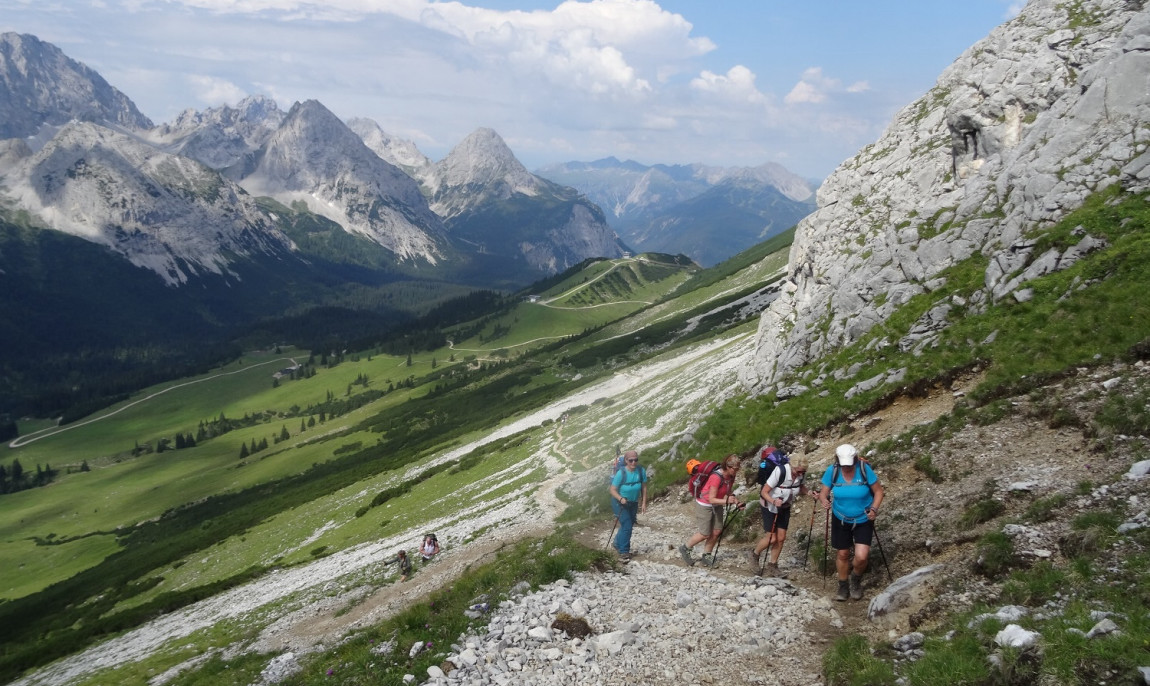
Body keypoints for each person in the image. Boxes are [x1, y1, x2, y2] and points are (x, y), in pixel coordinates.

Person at [818, 444, 884, 601]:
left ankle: (855, 578)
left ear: (855, 459)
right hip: (840, 518)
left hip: (863, 518)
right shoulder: (832, 471)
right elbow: (823, 493)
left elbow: (879, 492)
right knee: (843, 553)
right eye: (844, 465)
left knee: (861, 556)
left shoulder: (864, 469)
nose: (846, 468)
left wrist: (874, 509)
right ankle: (843, 585)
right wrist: (824, 501)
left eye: (849, 464)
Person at [748, 456, 808, 577]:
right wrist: (773, 501)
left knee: (781, 538)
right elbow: (764, 492)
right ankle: (754, 554)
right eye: (798, 471)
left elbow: (800, 487)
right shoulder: (780, 471)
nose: (800, 474)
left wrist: (810, 492)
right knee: (772, 538)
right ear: (792, 467)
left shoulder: (801, 475)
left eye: (803, 471)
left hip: (784, 507)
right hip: (769, 506)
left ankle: (772, 565)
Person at [679, 454, 743, 566]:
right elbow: (711, 499)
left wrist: (737, 502)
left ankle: (707, 555)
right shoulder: (716, 477)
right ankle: (685, 548)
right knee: (705, 533)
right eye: (735, 468)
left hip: (717, 504)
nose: (737, 471)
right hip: (704, 504)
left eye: (738, 468)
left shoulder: (731, 476)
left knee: (717, 531)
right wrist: (728, 501)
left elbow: (728, 491)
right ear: (728, 467)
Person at [608, 449, 647, 561]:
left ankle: (616, 543)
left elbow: (644, 487)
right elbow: (612, 490)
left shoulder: (641, 471)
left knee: (627, 524)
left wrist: (644, 502)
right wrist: (620, 498)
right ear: (626, 461)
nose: (633, 462)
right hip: (619, 503)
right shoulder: (621, 473)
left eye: (635, 460)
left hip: (633, 502)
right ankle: (624, 551)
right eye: (631, 460)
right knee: (627, 526)